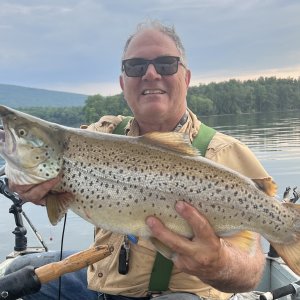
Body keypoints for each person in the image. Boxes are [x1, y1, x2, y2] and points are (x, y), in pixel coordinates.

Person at [6, 20, 270, 300]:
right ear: (123, 83)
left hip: (171, 295)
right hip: (97, 281)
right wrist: (21, 175)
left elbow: (251, 271)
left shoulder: (225, 154)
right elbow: (46, 149)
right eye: (136, 66)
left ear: (187, 78)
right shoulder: (101, 135)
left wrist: (221, 263)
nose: (151, 74)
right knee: (17, 272)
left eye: (166, 64)